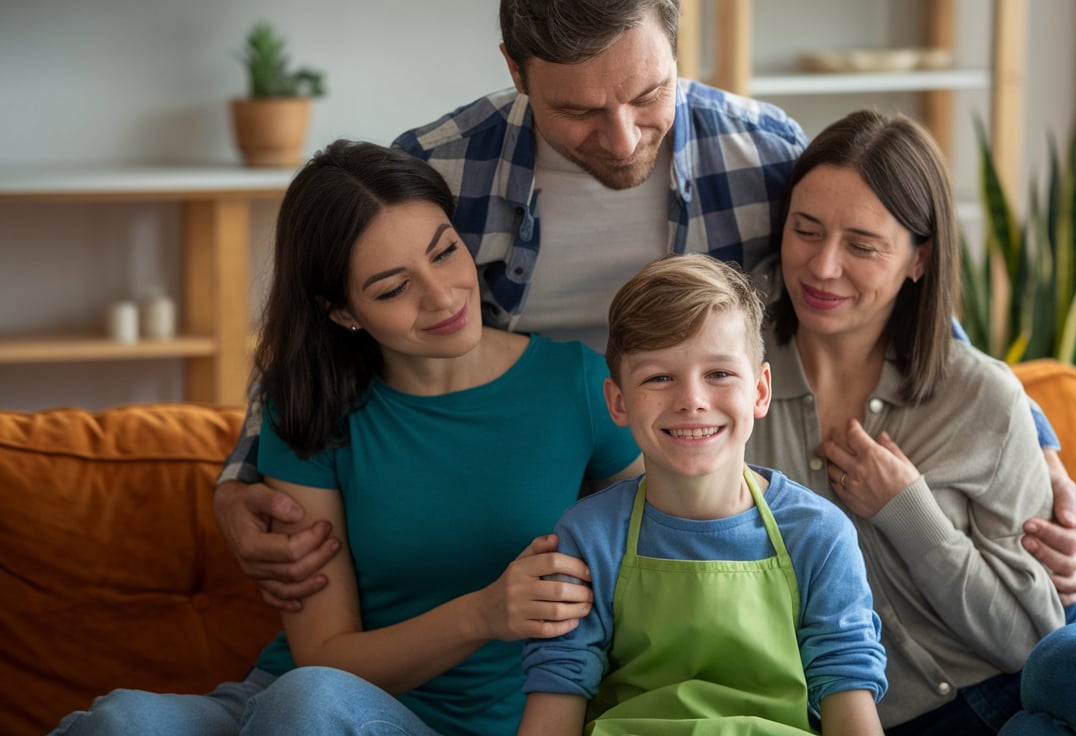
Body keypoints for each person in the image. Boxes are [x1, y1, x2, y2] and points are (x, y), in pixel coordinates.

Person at [213, 0, 1076, 625]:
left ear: (677, 38)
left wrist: (1039, 444)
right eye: (580, 112)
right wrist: (241, 477)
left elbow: (891, 289)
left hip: (701, 489)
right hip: (541, 502)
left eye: (648, 97)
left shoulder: (763, 152)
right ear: (516, 74)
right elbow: (323, 314)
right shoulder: (438, 168)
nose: (625, 139)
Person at [51, 140, 642, 736]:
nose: (441, 296)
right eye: (392, 289)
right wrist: (484, 613)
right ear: (342, 312)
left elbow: (657, 567)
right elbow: (325, 656)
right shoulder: (312, 404)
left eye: (445, 253)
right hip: (302, 707)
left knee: (309, 705)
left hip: (444, 722)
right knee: (118, 721)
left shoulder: (579, 385)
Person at [745, 108, 1076, 735]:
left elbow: (1029, 637)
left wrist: (906, 509)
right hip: (916, 718)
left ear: (917, 260)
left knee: (1075, 660)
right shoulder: (735, 395)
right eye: (805, 231)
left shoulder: (981, 397)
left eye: (863, 246)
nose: (822, 266)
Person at [518, 254, 886, 735]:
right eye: (659, 377)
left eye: (719, 374)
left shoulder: (819, 535)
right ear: (618, 401)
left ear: (759, 391)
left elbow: (850, 705)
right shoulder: (588, 538)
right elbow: (554, 707)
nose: (692, 399)